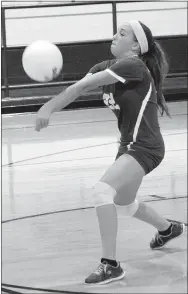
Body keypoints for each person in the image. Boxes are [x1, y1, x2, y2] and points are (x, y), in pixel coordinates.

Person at [35, 20, 185, 285]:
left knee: (101, 191)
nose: (115, 36)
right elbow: (77, 88)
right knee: (124, 204)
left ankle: (111, 265)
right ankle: (168, 228)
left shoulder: (134, 66)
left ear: (136, 46)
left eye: (122, 33)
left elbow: (79, 88)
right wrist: (55, 104)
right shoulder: (103, 68)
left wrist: (48, 107)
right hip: (129, 146)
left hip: (145, 146)